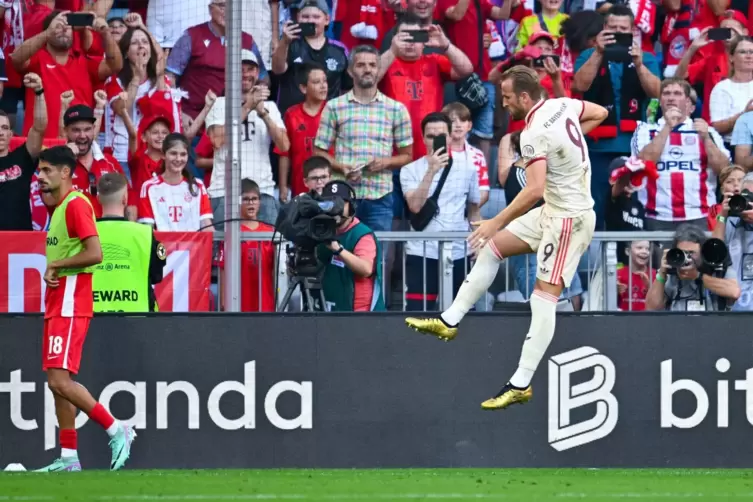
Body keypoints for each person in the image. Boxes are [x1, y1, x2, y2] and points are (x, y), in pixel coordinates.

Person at [406, 66, 608, 410]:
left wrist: (494, 221)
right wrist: (566, 153)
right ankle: (449, 320)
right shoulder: (563, 106)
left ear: (525, 97)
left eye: (508, 96)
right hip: (552, 211)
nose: (504, 102)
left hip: (568, 220)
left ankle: (521, 382)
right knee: (493, 249)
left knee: (543, 297)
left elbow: (534, 189)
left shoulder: (532, 133)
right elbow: (600, 113)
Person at [34, 145, 135, 472]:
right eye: (39, 171)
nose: (40, 177)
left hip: (70, 298)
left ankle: (116, 427)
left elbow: (95, 253)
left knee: (61, 381)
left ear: (66, 173)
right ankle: (68, 458)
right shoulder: (61, 206)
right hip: (57, 300)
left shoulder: (76, 205)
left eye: (47, 171)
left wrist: (58, 264)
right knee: (55, 380)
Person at [314, 45, 413, 232]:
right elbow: (319, 151)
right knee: (340, 256)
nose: (367, 69)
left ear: (378, 69)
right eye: (361, 65)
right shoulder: (334, 107)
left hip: (380, 196)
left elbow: (407, 155)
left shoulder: (396, 109)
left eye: (372, 65)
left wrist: (385, 162)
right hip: (343, 196)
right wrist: (341, 167)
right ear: (351, 71)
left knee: (376, 256)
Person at [401, 112, 480, 311]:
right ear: (423, 138)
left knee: (462, 314)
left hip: (458, 250)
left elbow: (473, 211)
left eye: (441, 135)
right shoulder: (409, 170)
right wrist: (432, 170)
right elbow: (415, 206)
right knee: (418, 312)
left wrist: (479, 243)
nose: (436, 140)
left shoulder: (469, 168)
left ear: (450, 136)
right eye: (430, 136)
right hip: (421, 251)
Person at [632, 78, 730, 231]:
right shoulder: (645, 130)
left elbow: (724, 170)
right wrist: (667, 128)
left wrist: (705, 138)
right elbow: (644, 163)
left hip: (700, 215)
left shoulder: (707, 131)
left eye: (677, 93)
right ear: (660, 100)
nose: (671, 97)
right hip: (655, 216)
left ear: (688, 103)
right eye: (666, 93)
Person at [204, 49, 288, 226]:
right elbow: (217, 140)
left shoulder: (269, 106)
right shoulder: (219, 104)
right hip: (224, 192)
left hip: (262, 191)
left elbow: (284, 145)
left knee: (267, 251)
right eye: (239, 69)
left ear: (257, 73)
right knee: (224, 252)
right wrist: (248, 106)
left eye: (250, 69)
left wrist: (263, 113)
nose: (245, 74)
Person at [10, 10, 123, 138]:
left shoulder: (84, 62)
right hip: (41, 145)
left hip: (79, 144)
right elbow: (16, 58)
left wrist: (105, 33)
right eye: (58, 26)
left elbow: (115, 65)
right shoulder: (37, 59)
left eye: (68, 27)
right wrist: (47, 33)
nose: (64, 29)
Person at [93, 172, 166, 312]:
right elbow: (156, 276)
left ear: (98, 199)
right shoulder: (144, 234)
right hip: (138, 318)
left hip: (91, 317)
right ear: (125, 199)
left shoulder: (83, 234)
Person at [272, 0, 350, 115]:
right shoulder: (289, 44)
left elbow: (346, 87)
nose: (310, 20)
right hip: (291, 121)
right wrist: (284, 42)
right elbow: (277, 70)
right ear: (298, 18)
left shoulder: (340, 50)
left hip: (327, 121)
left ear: (327, 20)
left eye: (316, 16)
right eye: (305, 16)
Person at [318, 180, 385, 312]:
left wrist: (338, 250)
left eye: (340, 202)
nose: (335, 208)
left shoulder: (362, 234)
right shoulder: (322, 230)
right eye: (330, 203)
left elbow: (366, 269)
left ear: (352, 206)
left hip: (360, 314)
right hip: (332, 309)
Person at [645, 224, 740, 311]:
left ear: (702, 253)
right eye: (682, 252)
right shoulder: (672, 271)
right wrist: (662, 273)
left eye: (691, 253)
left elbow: (734, 292)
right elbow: (651, 308)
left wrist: (698, 276)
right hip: (678, 326)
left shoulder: (716, 266)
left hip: (712, 326)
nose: (687, 257)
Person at [217, 179, 276, 312]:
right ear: (237, 202)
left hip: (264, 301)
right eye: (246, 199)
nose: (251, 203)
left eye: (254, 199)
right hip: (238, 303)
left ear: (259, 202)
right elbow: (223, 269)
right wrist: (223, 300)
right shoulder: (231, 233)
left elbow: (275, 271)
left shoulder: (269, 233)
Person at [63, 104, 131, 218]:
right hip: (72, 234)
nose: (82, 135)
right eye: (76, 130)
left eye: (87, 129)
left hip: (106, 233)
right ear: (66, 131)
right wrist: (66, 160)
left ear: (94, 129)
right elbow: (50, 200)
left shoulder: (110, 162)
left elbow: (129, 198)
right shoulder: (57, 163)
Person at [138, 133, 214, 231]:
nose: (178, 159)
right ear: (163, 155)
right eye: (173, 153)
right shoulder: (149, 187)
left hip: (193, 246)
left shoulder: (197, 185)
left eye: (183, 154)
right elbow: (147, 230)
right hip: (162, 246)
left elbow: (206, 225)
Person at [0, 72, 46, 230]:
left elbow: (39, 128)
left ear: (10, 134)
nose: (0, 132)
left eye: (4, 128)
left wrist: (39, 92)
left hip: (20, 242)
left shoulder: (21, 157)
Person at [277, 62, 328, 202]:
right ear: (303, 88)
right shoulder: (291, 114)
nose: (323, 86)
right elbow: (284, 153)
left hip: (330, 187)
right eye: (317, 82)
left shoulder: (333, 111)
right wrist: (283, 187)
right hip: (300, 188)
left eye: (325, 81)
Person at [712, 172, 753, 311]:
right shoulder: (730, 224)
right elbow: (713, 254)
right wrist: (722, 215)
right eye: (745, 196)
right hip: (736, 311)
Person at [616, 240, 655, 311]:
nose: (644, 252)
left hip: (647, 319)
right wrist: (614, 290)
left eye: (647, 249)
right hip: (624, 319)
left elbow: (658, 302)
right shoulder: (618, 273)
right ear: (628, 251)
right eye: (639, 248)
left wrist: (649, 286)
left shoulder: (655, 274)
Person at [707, 164, 745, 230]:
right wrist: (723, 214)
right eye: (729, 181)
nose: (736, 184)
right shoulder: (714, 210)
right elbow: (715, 231)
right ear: (722, 190)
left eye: (741, 180)